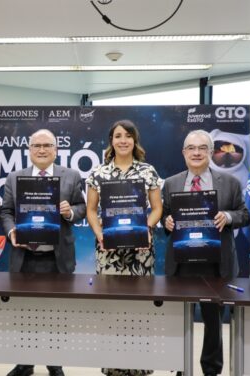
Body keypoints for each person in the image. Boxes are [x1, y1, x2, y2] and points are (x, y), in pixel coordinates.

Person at [161, 129, 249, 376]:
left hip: (216, 262)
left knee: (213, 321)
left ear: (211, 152)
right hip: (181, 262)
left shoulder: (230, 183)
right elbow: (165, 215)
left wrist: (228, 216)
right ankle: (180, 367)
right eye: (191, 148)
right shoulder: (171, 183)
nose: (197, 152)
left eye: (202, 148)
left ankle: (211, 369)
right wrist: (166, 222)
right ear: (184, 153)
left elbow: (244, 214)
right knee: (179, 319)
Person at [1, 129, 86, 376]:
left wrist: (70, 211)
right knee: (23, 313)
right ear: (29, 149)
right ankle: (25, 363)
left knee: (56, 314)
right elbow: (6, 212)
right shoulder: (14, 177)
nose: (41, 150)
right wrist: (11, 232)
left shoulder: (71, 176)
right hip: (24, 257)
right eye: (36, 145)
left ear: (56, 149)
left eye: (47, 145)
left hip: (57, 257)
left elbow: (81, 207)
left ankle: (54, 363)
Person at [85, 119, 162, 376]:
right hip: (109, 253)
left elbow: (157, 209)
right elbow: (91, 211)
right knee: (112, 308)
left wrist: (146, 229)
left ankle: (139, 366)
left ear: (134, 140)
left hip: (141, 252)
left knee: (140, 308)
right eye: (118, 135)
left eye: (128, 135)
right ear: (111, 141)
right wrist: (101, 235)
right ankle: (113, 366)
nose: (123, 140)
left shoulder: (148, 171)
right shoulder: (98, 173)